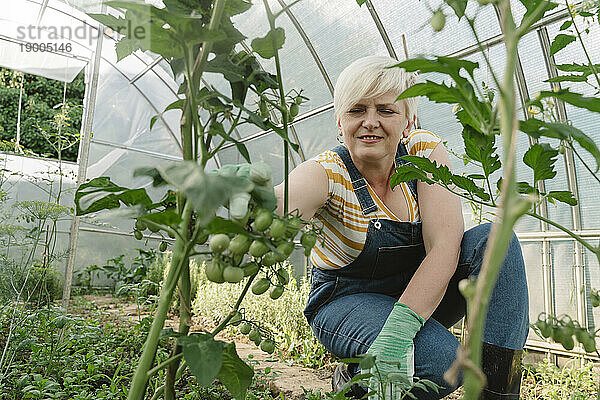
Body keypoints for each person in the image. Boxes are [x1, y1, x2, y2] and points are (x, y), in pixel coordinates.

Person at [274, 55, 529, 399]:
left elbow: (444, 246)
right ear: (339, 123)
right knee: (441, 365)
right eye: (356, 110)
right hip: (346, 302)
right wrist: (247, 198)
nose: (370, 122)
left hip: (421, 291)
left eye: (385, 110)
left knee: (497, 240)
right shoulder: (325, 173)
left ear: (407, 121)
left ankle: (497, 396)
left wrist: (398, 332)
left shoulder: (423, 153)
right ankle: (355, 378)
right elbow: (281, 203)